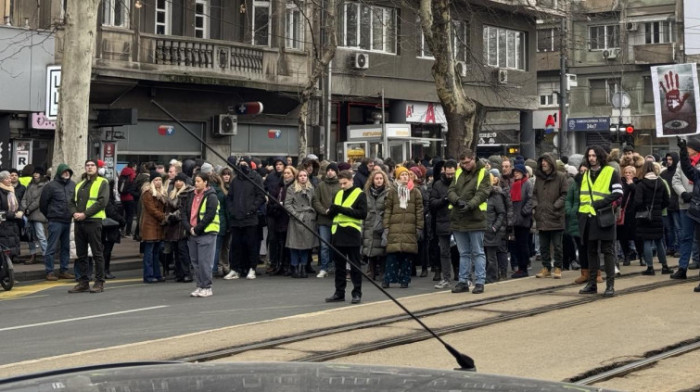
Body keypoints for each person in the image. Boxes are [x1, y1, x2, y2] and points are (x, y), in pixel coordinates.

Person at [578, 146, 623, 297]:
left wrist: (600, 203)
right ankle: (592, 283)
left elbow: (618, 193)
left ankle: (610, 285)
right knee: (591, 251)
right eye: (589, 155)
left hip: (604, 216)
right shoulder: (585, 174)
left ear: (600, 156)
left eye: (594, 155)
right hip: (587, 217)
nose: (591, 158)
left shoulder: (611, 172)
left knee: (607, 251)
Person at [447, 149, 491, 294]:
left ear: (473, 159)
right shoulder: (459, 172)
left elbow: (483, 193)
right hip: (459, 217)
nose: (465, 165)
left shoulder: (483, 173)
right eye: (462, 163)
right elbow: (451, 190)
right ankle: (463, 281)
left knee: (477, 252)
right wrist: (457, 201)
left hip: (475, 217)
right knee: (464, 252)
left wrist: (470, 205)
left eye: (467, 162)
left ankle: (479, 281)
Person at [325, 170, 367, 304]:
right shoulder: (338, 194)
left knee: (355, 265)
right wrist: (331, 211)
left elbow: (362, 214)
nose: (342, 186)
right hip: (338, 233)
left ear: (351, 180)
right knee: (339, 267)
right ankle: (339, 292)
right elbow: (333, 213)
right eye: (340, 183)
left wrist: (340, 209)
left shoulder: (359, 194)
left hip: (352, 234)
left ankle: (357, 293)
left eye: (345, 183)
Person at [69, 159, 110, 293]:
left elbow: (101, 202)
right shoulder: (80, 184)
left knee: (97, 252)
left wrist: (85, 214)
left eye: (92, 165)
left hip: (93, 221)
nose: (90, 167)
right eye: (87, 165)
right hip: (79, 222)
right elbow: (71, 202)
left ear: (97, 168)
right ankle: (84, 281)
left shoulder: (102, 182)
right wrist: (75, 213)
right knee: (81, 254)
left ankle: (99, 282)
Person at [224, 157, 265, 280]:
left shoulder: (255, 178)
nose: (242, 166)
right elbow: (229, 198)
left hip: (250, 219)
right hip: (236, 219)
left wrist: (252, 209)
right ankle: (235, 269)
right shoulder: (235, 180)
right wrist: (232, 211)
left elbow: (260, 196)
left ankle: (252, 268)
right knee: (236, 245)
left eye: (245, 164)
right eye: (240, 164)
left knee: (251, 245)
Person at [382, 166, 423, 289]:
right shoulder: (392, 191)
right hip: (395, 227)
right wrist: (386, 226)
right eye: (402, 175)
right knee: (392, 255)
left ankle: (404, 279)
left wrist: (419, 227)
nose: (405, 177)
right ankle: (388, 279)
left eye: (407, 175)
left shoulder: (415, 192)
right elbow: (388, 209)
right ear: (397, 177)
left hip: (409, 228)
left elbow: (419, 211)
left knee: (407, 256)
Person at [182, 173, 220, 297]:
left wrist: (197, 229)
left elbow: (209, 215)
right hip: (193, 233)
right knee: (195, 262)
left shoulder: (211, 196)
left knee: (204, 261)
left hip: (206, 232)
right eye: (195, 181)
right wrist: (189, 228)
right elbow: (184, 212)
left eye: (198, 181)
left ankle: (207, 287)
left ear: (205, 182)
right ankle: (200, 285)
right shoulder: (191, 195)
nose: (196, 183)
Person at [531, 153, 568, 279]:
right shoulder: (539, 178)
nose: (543, 164)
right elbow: (534, 194)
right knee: (543, 245)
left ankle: (558, 267)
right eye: (542, 161)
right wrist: (536, 206)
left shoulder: (561, 177)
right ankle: (546, 267)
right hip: (542, 216)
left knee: (557, 245)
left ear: (551, 163)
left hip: (556, 216)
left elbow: (565, 194)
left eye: (546, 161)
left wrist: (555, 206)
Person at [634, 161, 672, 276]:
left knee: (647, 241)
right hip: (657, 216)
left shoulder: (641, 184)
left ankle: (650, 267)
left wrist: (643, 209)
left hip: (645, 217)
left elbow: (638, 202)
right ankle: (664, 266)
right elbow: (667, 200)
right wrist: (658, 209)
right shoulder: (660, 182)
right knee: (659, 240)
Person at [672, 137, 700, 279]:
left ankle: (697, 261)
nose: (687, 150)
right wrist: (683, 193)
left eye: (688, 148)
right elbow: (676, 180)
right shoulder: (681, 164)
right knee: (685, 237)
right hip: (686, 205)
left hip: (698, 204)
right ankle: (682, 267)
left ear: (695, 150)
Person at [284, 169, 317, 278]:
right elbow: (287, 204)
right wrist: (296, 215)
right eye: (301, 176)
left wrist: (313, 215)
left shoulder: (311, 188)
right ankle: (294, 267)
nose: (303, 177)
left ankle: (303, 267)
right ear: (297, 177)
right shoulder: (291, 188)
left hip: (308, 219)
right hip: (296, 219)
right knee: (294, 245)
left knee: (306, 245)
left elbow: (315, 203)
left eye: (305, 176)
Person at [430, 160, 456, 289]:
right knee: (444, 252)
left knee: (462, 252)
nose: (450, 176)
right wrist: (444, 200)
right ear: (444, 171)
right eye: (448, 173)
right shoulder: (438, 185)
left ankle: (463, 277)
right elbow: (432, 203)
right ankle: (446, 278)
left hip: (458, 222)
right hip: (443, 222)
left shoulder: (459, 183)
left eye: (452, 173)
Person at [312, 162, 341, 278]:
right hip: (323, 220)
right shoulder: (321, 185)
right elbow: (315, 201)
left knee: (336, 245)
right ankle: (324, 267)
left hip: (337, 219)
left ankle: (335, 265)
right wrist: (324, 211)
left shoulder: (340, 185)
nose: (330, 172)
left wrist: (335, 211)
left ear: (336, 172)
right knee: (324, 245)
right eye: (328, 170)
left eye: (333, 170)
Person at [164, 172, 193, 282]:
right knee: (176, 251)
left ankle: (187, 273)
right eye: (176, 181)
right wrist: (168, 218)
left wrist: (173, 216)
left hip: (182, 226)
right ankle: (179, 273)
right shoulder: (172, 193)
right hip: (173, 227)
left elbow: (185, 210)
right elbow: (167, 210)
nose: (178, 183)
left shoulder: (188, 193)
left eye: (180, 181)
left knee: (183, 251)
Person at [139, 172, 167, 283]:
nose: (158, 182)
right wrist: (164, 217)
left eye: (160, 179)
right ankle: (148, 275)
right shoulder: (148, 193)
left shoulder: (162, 193)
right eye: (156, 180)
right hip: (150, 225)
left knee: (156, 252)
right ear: (151, 181)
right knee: (149, 253)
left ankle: (157, 274)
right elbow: (151, 210)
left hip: (158, 226)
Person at [362, 170, 389, 281]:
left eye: (381, 178)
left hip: (382, 222)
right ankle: (372, 272)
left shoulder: (388, 192)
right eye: (376, 178)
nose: (379, 181)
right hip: (369, 222)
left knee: (382, 249)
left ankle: (382, 272)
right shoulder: (367, 193)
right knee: (370, 249)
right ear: (372, 180)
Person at [567, 164, 591, 284]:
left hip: (589, 218)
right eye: (580, 171)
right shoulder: (574, 184)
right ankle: (584, 272)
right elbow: (568, 199)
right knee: (581, 248)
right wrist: (570, 211)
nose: (582, 173)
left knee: (591, 248)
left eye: (585, 170)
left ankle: (595, 272)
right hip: (576, 219)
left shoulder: (593, 183)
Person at [263, 157, 288, 275]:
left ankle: (283, 263)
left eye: (280, 164)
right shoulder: (270, 177)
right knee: (272, 238)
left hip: (283, 212)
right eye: (276, 164)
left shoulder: (286, 176)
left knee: (282, 239)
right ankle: (273, 262)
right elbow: (264, 189)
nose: (278, 166)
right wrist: (265, 196)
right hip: (271, 210)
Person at [20, 167, 48, 265]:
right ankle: (33, 255)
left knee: (41, 236)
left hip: (38, 214)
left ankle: (46, 255)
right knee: (30, 237)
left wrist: (28, 209)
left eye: (37, 173)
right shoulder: (30, 184)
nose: (35, 174)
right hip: (28, 213)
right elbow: (24, 197)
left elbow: (39, 200)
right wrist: (24, 208)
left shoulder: (44, 185)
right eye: (34, 173)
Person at [509, 164, 533, 279]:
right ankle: (520, 267)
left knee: (523, 244)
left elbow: (530, 199)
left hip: (524, 219)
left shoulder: (527, 183)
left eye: (518, 172)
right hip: (516, 219)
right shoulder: (514, 185)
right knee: (517, 245)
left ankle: (524, 267)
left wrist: (524, 212)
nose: (515, 173)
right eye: (515, 172)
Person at [484, 169, 507, 283]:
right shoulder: (480, 195)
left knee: (491, 257)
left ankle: (492, 277)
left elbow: (501, 213)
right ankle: (484, 276)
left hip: (491, 231)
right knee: (483, 256)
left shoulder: (496, 195)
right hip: (481, 230)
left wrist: (494, 227)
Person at [102, 180, 126, 279]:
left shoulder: (108, 196)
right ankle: (104, 270)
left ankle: (105, 270)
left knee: (106, 250)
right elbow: (111, 212)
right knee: (106, 251)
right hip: (108, 228)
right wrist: (122, 220)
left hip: (109, 227)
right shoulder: (107, 198)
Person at [661, 152, 681, 258]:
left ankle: (678, 248)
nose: (668, 161)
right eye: (667, 159)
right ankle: (670, 247)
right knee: (669, 228)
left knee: (678, 228)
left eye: (671, 159)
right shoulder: (663, 174)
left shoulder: (679, 172)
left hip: (677, 204)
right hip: (667, 205)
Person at [0, 171, 23, 262]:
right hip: (4, 224)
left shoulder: (11, 190)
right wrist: (14, 215)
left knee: (13, 242)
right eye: (7, 178)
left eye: (9, 177)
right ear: (1, 180)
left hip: (13, 223)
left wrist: (21, 210)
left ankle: (12, 259)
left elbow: (18, 203)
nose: (10, 179)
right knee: (5, 244)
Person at [118, 164, 138, 237]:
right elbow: (134, 186)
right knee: (130, 215)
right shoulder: (132, 174)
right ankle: (128, 231)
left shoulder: (122, 173)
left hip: (123, 197)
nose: (136, 168)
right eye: (135, 167)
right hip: (130, 197)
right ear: (132, 167)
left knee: (124, 215)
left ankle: (122, 229)